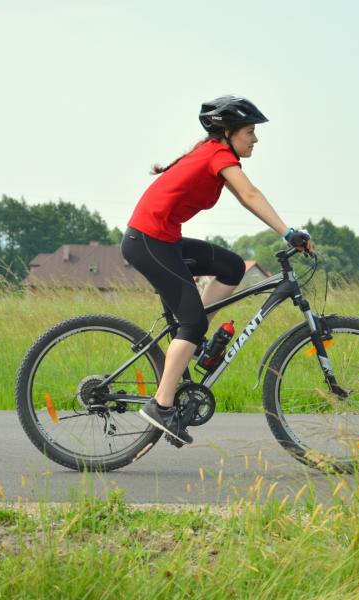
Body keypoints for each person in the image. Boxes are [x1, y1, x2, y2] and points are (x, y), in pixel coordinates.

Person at [120, 95, 314, 447]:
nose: (255, 139)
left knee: (232, 267)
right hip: (148, 242)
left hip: (163, 240)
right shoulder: (217, 154)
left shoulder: (216, 155)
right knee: (192, 323)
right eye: (250, 131)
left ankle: (196, 343)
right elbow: (250, 194)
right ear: (228, 132)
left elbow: (244, 197)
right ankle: (161, 406)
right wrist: (288, 233)